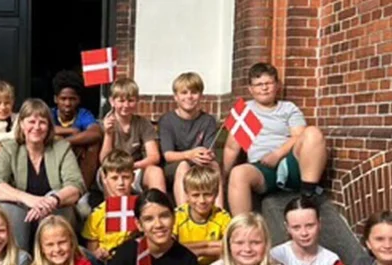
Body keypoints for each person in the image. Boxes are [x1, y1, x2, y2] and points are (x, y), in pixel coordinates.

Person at [223, 62, 327, 215]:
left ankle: (307, 197)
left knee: (313, 133)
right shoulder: (245, 110)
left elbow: (299, 136)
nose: (264, 88)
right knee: (239, 173)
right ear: (250, 89)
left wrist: (277, 154)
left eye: (268, 83)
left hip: (289, 162)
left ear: (277, 85)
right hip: (262, 168)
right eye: (258, 84)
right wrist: (224, 176)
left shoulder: (288, 108)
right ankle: (243, 230)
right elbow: (232, 148)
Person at [0, 98, 86, 252]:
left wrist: (52, 200)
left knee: (54, 195)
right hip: (21, 216)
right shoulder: (9, 149)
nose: (37, 127)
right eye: (31, 122)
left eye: (42, 122)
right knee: (11, 208)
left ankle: (52, 262)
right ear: (21, 124)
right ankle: (20, 262)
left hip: (55, 213)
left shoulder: (62, 148)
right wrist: (28, 199)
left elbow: (76, 185)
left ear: (49, 126)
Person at [158, 72, 223, 207]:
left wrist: (208, 155)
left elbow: (209, 149)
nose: (189, 96)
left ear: (201, 96)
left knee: (214, 165)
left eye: (194, 92)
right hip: (174, 167)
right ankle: (184, 216)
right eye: (184, 92)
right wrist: (190, 154)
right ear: (176, 97)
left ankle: (219, 214)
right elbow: (168, 155)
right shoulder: (167, 120)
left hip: (199, 165)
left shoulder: (208, 120)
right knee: (184, 166)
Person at [98, 77, 166, 193]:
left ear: (137, 101)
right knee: (111, 176)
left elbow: (154, 156)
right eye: (121, 101)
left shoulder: (143, 123)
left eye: (130, 100)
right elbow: (104, 160)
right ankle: (114, 209)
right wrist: (108, 134)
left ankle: (159, 208)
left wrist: (130, 167)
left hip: (135, 168)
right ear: (112, 101)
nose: (126, 105)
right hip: (112, 169)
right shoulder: (105, 123)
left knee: (156, 172)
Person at [173, 165, 231, 265]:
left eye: (207, 195)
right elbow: (170, 249)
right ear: (187, 195)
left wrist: (193, 249)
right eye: (195, 195)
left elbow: (230, 247)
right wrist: (210, 246)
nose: (202, 200)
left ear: (216, 194)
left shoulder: (222, 216)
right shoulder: (178, 216)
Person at [51, 70, 102, 189]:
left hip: (78, 160)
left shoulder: (83, 114)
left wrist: (66, 142)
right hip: (52, 161)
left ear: (78, 100)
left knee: (92, 144)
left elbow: (96, 133)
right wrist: (71, 131)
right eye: (63, 99)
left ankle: (82, 191)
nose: (67, 103)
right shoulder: (49, 113)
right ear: (55, 99)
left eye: (72, 99)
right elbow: (42, 130)